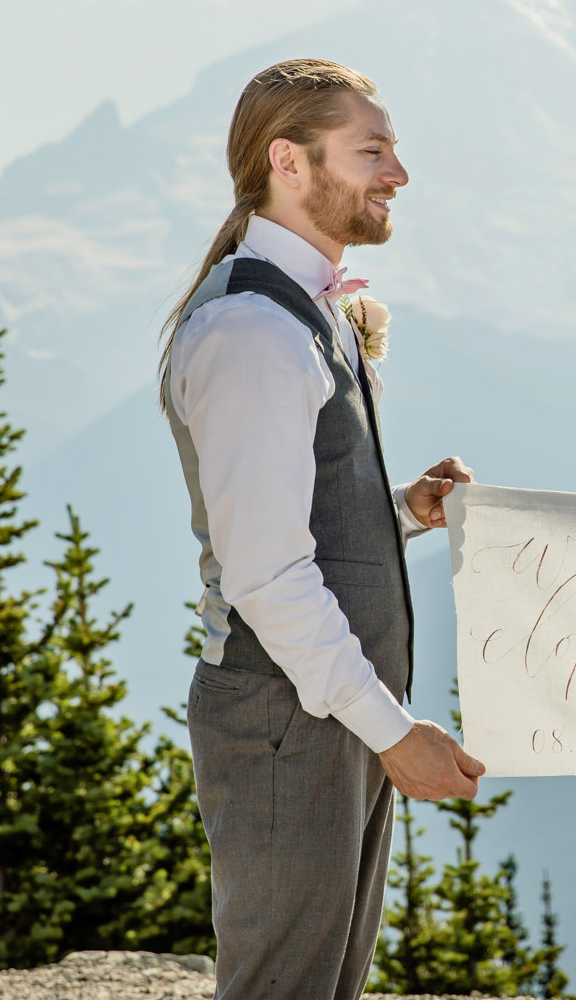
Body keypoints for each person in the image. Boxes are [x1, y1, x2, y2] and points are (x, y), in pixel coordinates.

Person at [160, 58, 485, 1000]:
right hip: (286, 724)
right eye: (372, 149)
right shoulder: (253, 330)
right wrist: (394, 732)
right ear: (288, 162)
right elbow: (265, 577)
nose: (398, 173)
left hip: (320, 716)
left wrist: (396, 516)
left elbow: (288, 525)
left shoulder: (305, 313)